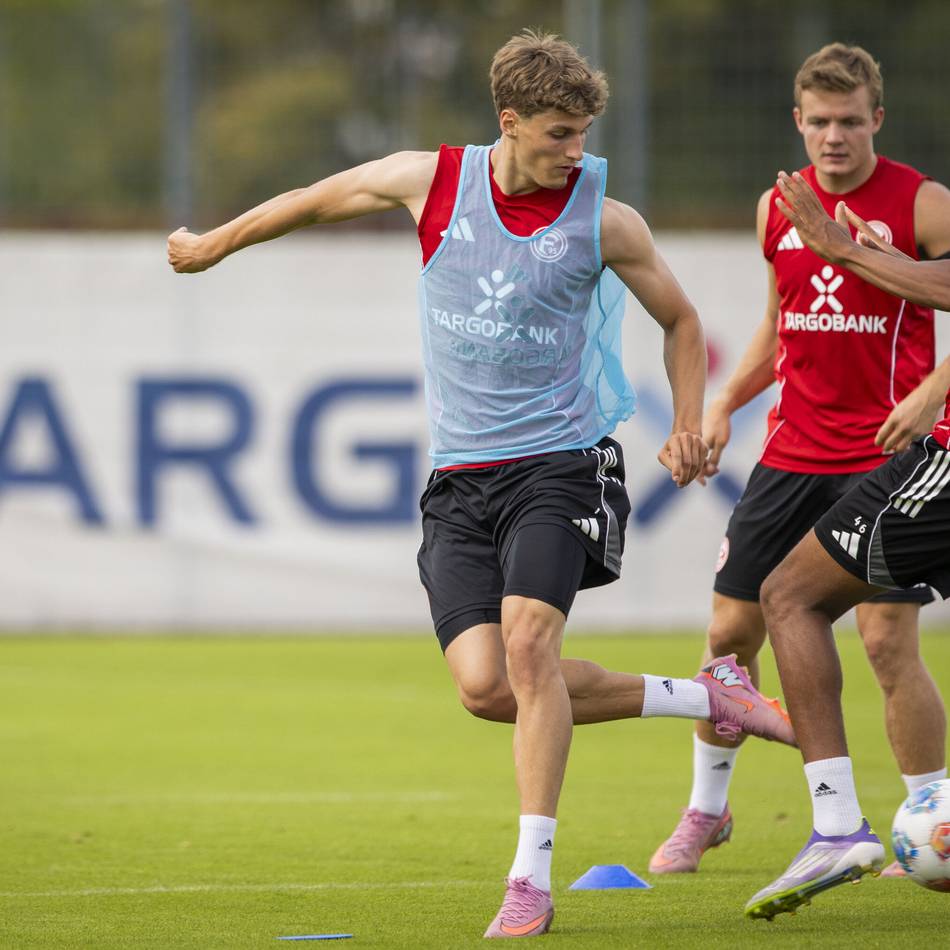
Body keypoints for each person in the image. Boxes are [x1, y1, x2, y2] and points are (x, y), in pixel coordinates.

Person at [167, 30, 794, 939]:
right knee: (486, 688)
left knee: (532, 648)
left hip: (564, 467)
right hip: (461, 481)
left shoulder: (604, 218)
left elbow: (683, 319)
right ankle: (711, 696)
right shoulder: (431, 182)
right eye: (557, 134)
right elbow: (312, 200)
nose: (576, 152)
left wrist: (692, 422)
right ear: (509, 122)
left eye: (584, 133)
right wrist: (213, 245)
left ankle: (528, 881)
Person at [649, 42, 950, 878]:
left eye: (850, 120)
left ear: (876, 120)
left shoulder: (923, 204)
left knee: (888, 641)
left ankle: (931, 818)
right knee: (728, 635)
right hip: (790, 456)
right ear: (798, 121)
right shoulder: (775, 206)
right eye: (818, 122)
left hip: (883, 457)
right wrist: (720, 406)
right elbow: (782, 328)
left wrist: (930, 392)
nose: (834, 137)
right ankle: (706, 811)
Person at [742, 166, 950, 920]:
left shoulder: (921, 199)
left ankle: (836, 825)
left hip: (938, 464)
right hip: (813, 451)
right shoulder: (776, 214)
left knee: (789, 597)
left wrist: (842, 248)